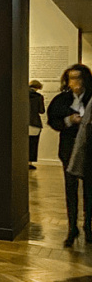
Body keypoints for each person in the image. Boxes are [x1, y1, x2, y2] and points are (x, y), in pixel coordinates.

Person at [47, 65, 92, 247]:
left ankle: (88, 226)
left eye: (79, 78)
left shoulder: (89, 99)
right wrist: (69, 120)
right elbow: (54, 121)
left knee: (89, 190)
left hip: (89, 150)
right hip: (68, 149)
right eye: (72, 78)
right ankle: (72, 227)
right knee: (70, 189)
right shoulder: (62, 99)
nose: (76, 82)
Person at [29, 80, 45, 169]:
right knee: (33, 144)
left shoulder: (22, 95)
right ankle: (30, 163)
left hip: (23, 122)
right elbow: (41, 110)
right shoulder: (38, 97)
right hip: (35, 123)